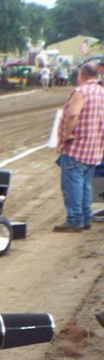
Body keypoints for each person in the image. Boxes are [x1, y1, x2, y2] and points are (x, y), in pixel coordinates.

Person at [53, 61, 104, 232]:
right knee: (86, 184)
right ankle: (86, 218)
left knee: (72, 184)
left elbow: (73, 114)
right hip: (94, 147)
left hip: (77, 146)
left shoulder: (81, 91)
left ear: (81, 75)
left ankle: (75, 219)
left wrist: (66, 135)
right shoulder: (101, 91)